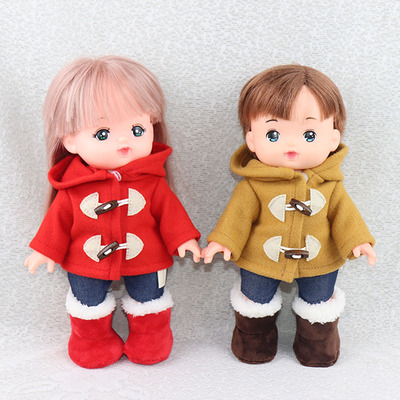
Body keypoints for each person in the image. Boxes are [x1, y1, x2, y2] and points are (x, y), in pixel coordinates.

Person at [25, 56, 201, 368]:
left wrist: (184, 239)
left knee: (149, 297)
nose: (124, 141)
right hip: (86, 260)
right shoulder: (73, 188)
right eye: (102, 133)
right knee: (87, 300)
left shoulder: (153, 183)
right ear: (70, 140)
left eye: (137, 129)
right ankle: (91, 341)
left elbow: (171, 215)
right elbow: (57, 223)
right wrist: (45, 250)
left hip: (146, 257)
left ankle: (151, 336)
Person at [202, 64, 376, 367]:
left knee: (318, 305)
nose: (291, 145)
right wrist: (224, 241)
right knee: (254, 301)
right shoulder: (253, 185)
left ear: (333, 139)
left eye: (309, 134)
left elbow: (345, 217)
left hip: (320, 259)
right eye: (273, 134)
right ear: (252, 140)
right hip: (261, 258)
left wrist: (358, 241)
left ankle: (317, 345)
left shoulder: (331, 186)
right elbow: (237, 217)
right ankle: (253, 340)